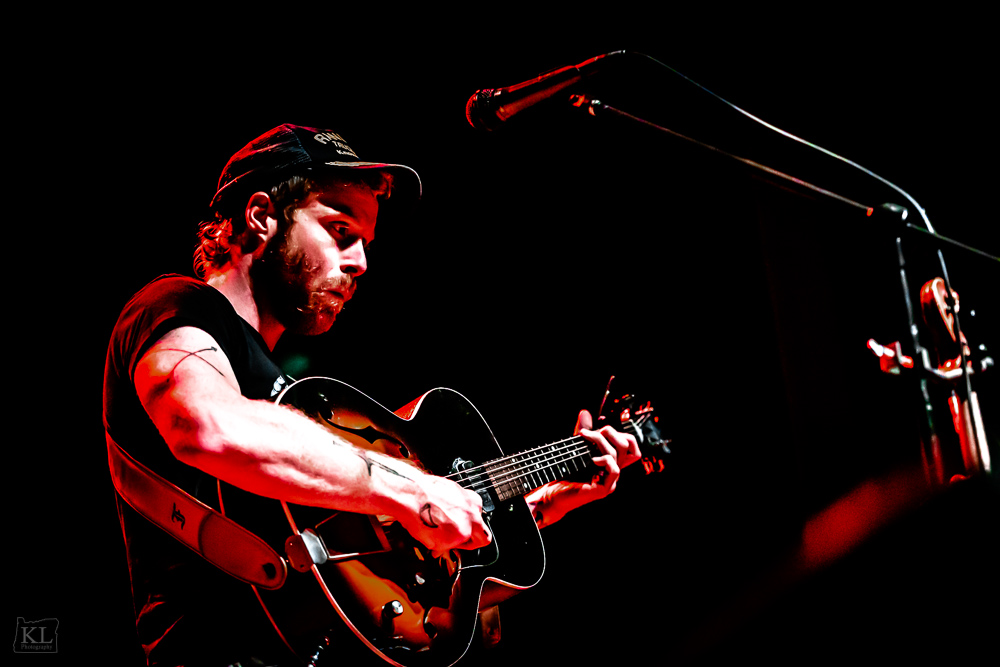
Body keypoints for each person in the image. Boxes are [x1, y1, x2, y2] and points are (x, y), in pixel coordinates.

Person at [103, 124, 640, 666]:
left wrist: (541, 503)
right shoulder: (174, 308)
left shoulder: (296, 396)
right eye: (340, 231)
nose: (360, 263)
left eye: (365, 243)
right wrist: (412, 491)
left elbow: (388, 557)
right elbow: (207, 428)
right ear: (261, 215)